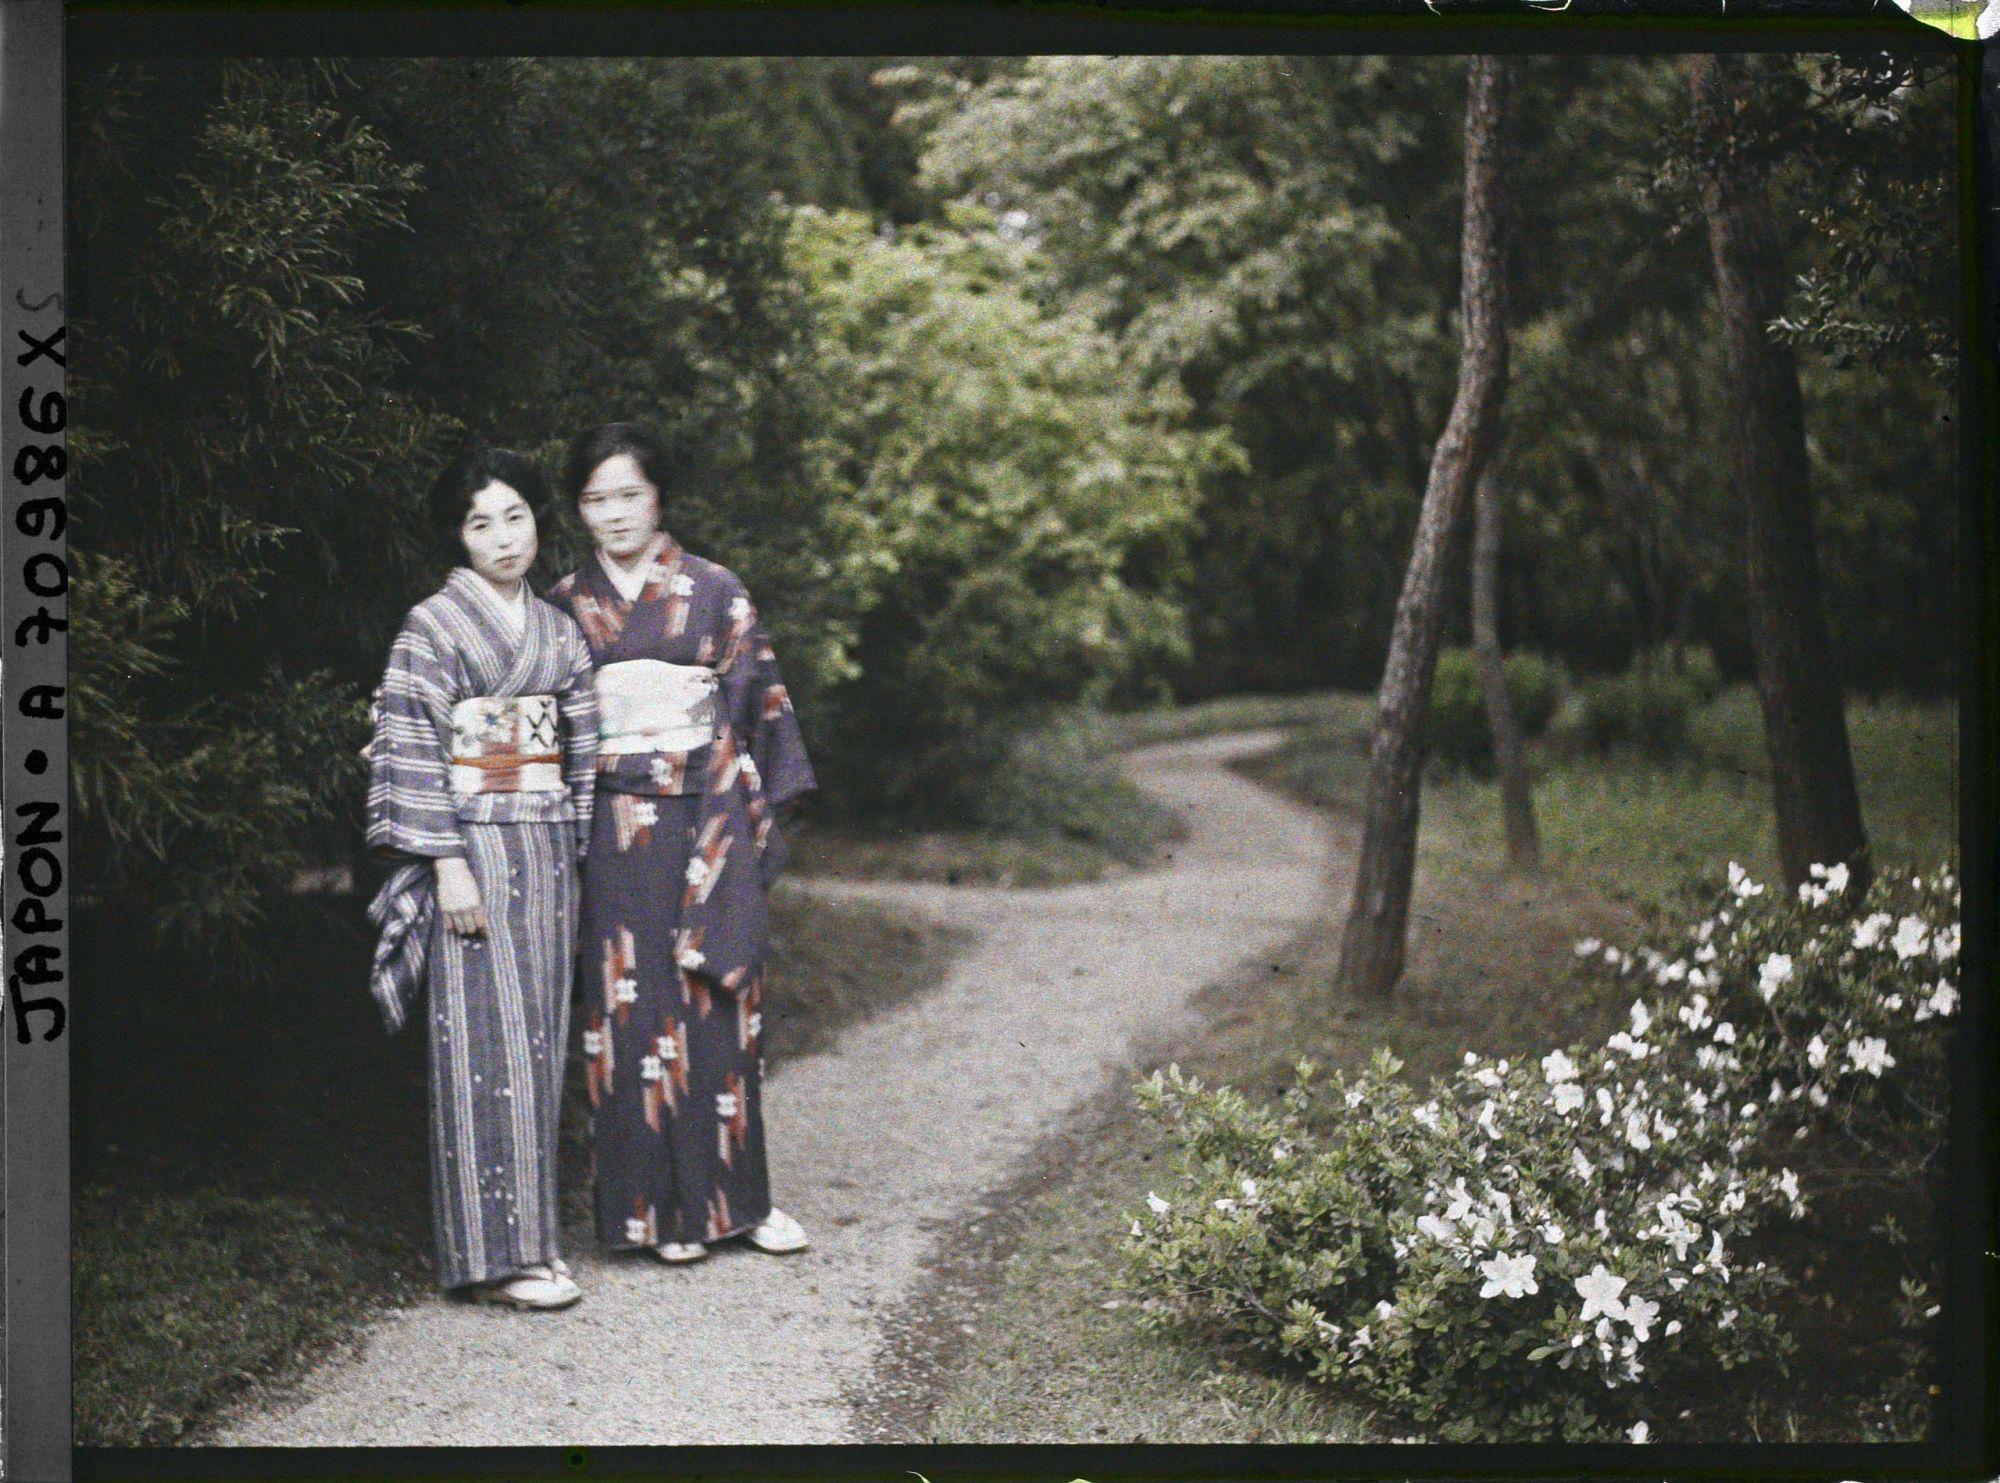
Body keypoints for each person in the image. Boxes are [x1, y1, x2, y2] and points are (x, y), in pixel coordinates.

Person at [546, 421, 816, 1265]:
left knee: (718, 999)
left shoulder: (715, 590)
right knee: (628, 1007)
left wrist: (747, 808)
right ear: (579, 509)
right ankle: (651, 1215)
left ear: (659, 496)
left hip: (708, 814)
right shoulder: (563, 604)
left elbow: (757, 704)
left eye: (629, 494)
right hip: (611, 825)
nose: (615, 513)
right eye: (596, 499)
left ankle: (738, 1203)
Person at [364, 447, 600, 1311]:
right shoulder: (431, 627)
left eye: (516, 516)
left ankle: (534, 1241)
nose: (504, 537)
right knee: (479, 1043)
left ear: (539, 519)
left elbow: (581, 744)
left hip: (546, 847)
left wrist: (579, 841)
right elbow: (410, 744)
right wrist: (446, 863)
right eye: (480, 522)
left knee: (538, 1039)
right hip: (470, 846)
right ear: (456, 537)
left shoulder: (558, 631)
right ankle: (490, 1256)